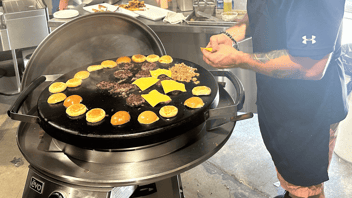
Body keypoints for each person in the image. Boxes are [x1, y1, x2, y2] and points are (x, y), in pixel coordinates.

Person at [201, 1, 348, 198]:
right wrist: (232, 34)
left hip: (309, 113)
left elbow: (311, 67)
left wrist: (239, 58)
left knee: (306, 189)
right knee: (290, 177)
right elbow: (262, 12)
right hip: (277, 100)